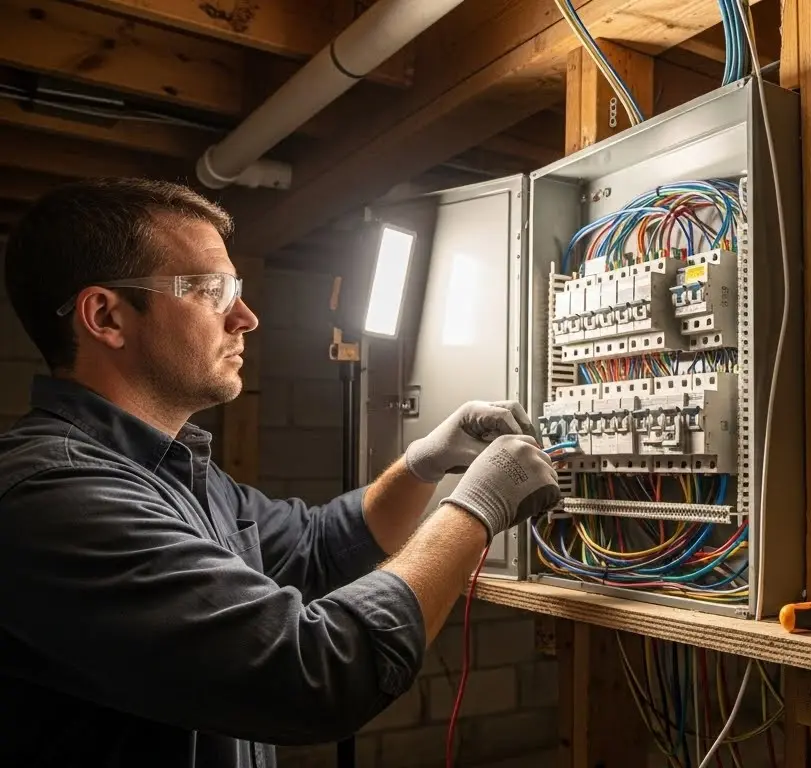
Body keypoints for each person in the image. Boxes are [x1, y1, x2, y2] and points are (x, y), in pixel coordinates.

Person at [0, 178, 563, 767]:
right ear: (106, 316)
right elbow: (313, 674)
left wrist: (424, 463)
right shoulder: (56, 500)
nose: (246, 317)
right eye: (212, 290)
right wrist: (475, 510)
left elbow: (317, 546)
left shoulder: (169, 471)